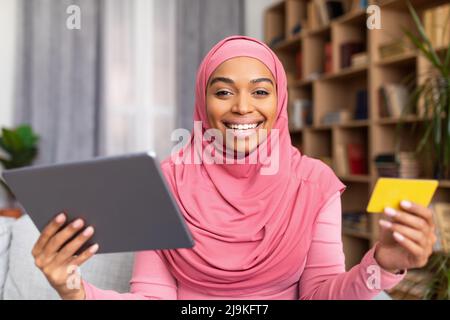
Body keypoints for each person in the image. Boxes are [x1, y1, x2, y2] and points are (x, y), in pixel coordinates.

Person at [31, 35, 436, 300]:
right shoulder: (167, 181)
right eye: (223, 91)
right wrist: (73, 289)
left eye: (260, 91)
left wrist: (383, 264)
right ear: (202, 102)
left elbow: (319, 295)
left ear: (278, 102)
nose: (243, 107)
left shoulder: (313, 183)